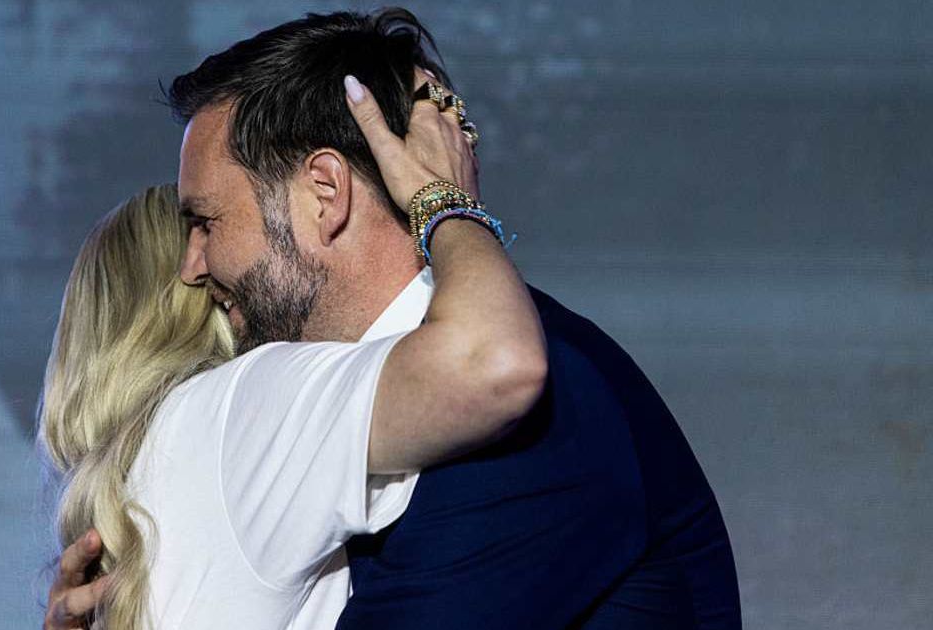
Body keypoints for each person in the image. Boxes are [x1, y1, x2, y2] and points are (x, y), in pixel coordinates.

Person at [49, 8, 741, 630]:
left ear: (325, 194)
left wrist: (444, 205)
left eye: (206, 221)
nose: (192, 266)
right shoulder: (362, 410)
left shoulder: (540, 411)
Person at [40, 66, 547, 628]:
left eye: (207, 225)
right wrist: (443, 200)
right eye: (196, 226)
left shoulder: (145, 478)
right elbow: (491, 363)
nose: (195, 265)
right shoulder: (238, 408)